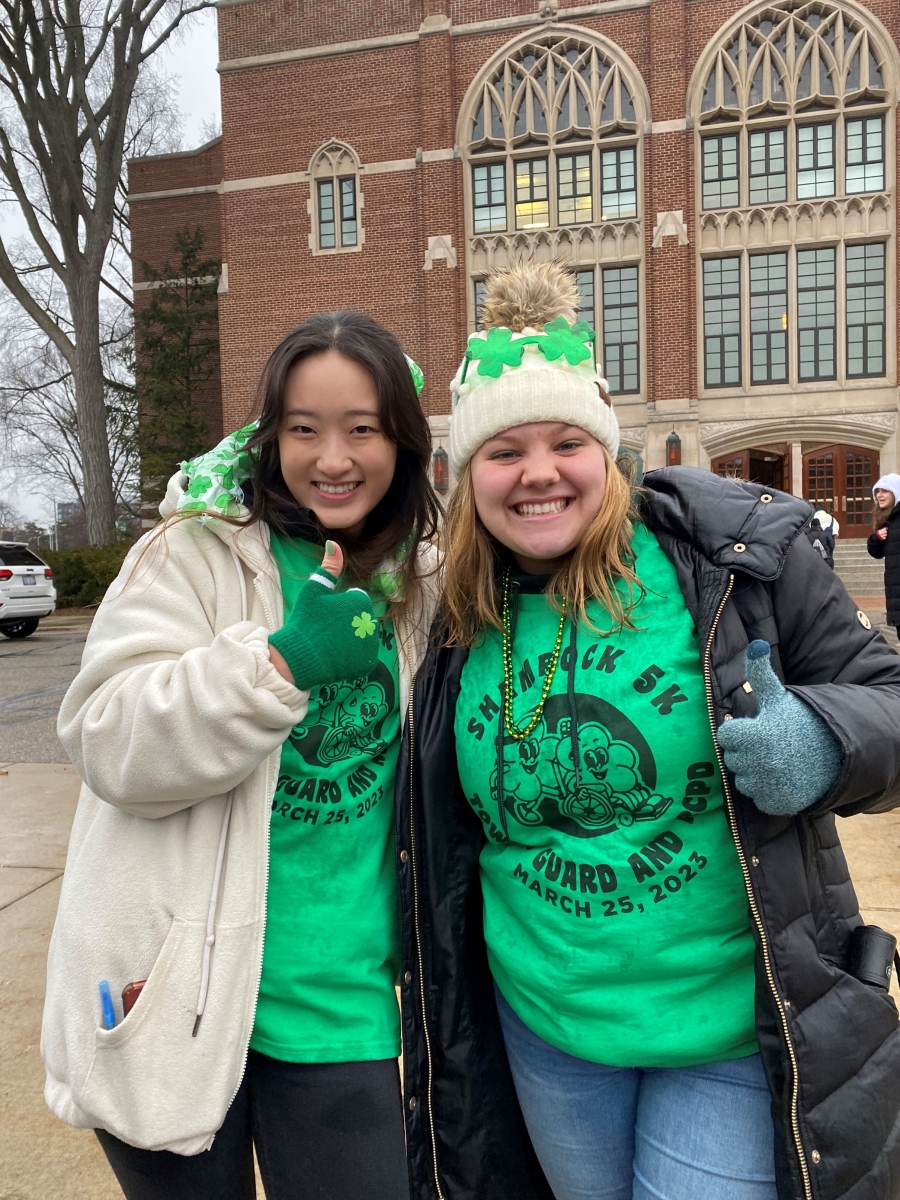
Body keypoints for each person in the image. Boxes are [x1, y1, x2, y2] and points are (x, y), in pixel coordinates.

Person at [397, 264, 900, 1200]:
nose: (539, 472)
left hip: (723, 1030)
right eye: (503, 451)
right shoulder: (458, 615)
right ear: (468, 479)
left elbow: (891, 699)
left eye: (565, 442)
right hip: (545, 1028)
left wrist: (825, 738)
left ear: (607, 452)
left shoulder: (731, 563)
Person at [42, 312, 441, 1200]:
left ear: (403, 442)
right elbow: (107, 737)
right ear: (270, 436)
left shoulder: (428, 575)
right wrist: (278, 666)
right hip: (174, 997)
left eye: (362, 429)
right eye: (304, 428)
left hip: (345, 1010)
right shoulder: (193, 552)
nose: (331, 458)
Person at [868, 474, 900, 641]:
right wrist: (876, 538)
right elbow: (877, 553)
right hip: (895, 589)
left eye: (885, 491)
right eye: (877, 491)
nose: (879, 495)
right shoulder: (886, 518)